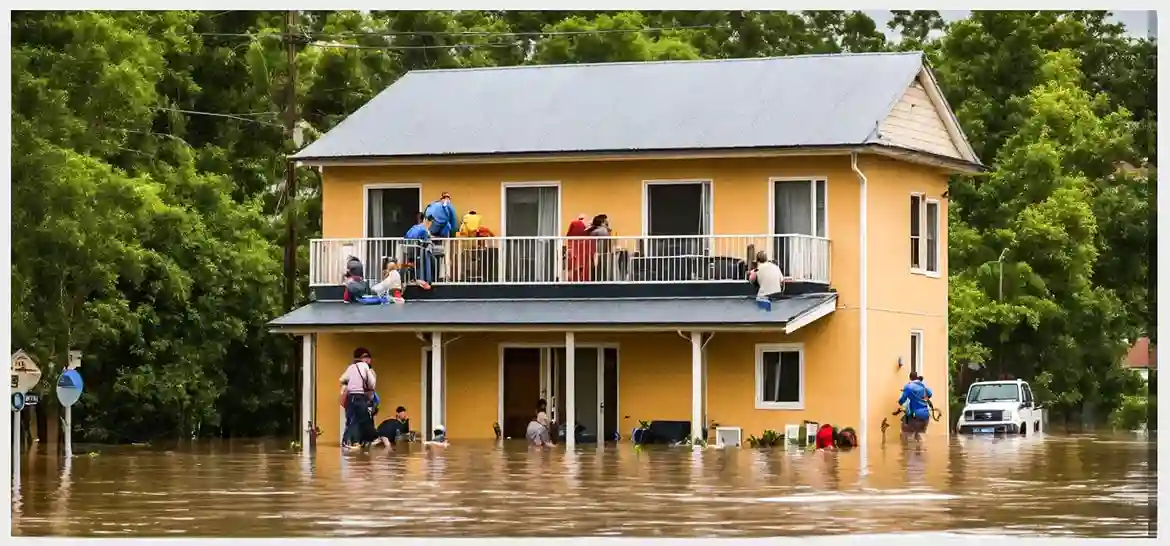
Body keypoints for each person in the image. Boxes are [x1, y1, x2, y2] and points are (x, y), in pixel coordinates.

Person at [340, 348, 377, 448]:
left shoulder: (351, 367)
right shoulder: (365, 367)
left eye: (368, 357)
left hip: (352, 397)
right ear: (360, 358)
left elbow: (342, 379)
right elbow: (372, 383)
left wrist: (349, 384)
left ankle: (349, 441)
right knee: (361, 419)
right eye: (365, 357)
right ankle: (360, 441)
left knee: (353, 420)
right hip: (361, 397)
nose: (367, 359)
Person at [897, 372, 934, 441]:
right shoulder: (923, 385)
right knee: (919, 436)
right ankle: (921, 450)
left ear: (910, 377)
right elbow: (930, 394)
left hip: (915, 415)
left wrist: (900, 402)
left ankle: (905, 449)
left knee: (905, 433)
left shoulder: (909, 386)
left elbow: (902, 400)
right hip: (926, 416)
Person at [404, 213, 436, 287]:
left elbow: (406, 236)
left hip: (408, 252)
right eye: (430, 223)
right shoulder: (424, 230)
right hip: (417, 253)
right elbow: (426, 242)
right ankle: (429, 280)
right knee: (432, 260)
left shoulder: (414, 227)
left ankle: (413, 278)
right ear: (427, 221)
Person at [565, 214, 594, 282]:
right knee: (583, 266)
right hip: (583, 248)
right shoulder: (587, 228)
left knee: (573, 266)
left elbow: (568, 235)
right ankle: (583, 280)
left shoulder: (574, 223)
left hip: (573, 248)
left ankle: (572, 280)